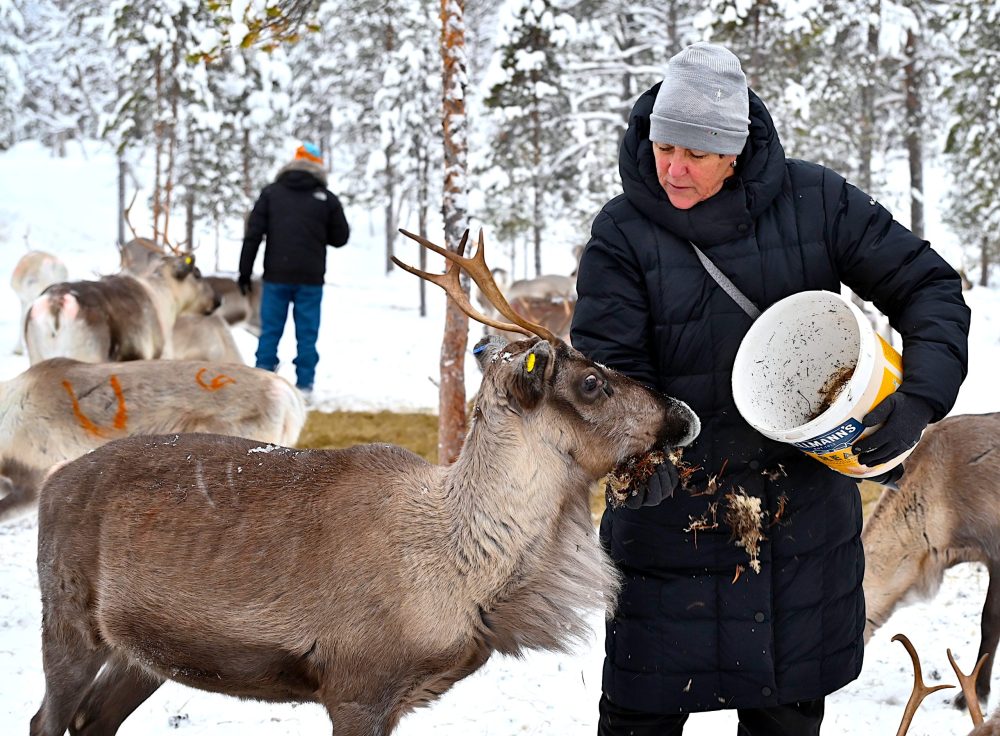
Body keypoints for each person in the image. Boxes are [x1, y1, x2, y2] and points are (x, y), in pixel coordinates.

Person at [570, 42, 970, 735]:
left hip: (799, 536)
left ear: (735, 149)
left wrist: (920, 398)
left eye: (695, 153)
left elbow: (929, 287)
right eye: (664, 146)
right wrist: (639, 458)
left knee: (783, 720)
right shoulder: (622, 233)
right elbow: (609, 377)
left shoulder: (818, 201)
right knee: (640, 715)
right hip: (672, 533)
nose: (673, 167)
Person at [239, 142, 350, 396]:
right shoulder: (326, 198)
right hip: (311, 279)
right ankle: (305, 388)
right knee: (307, 335)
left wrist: (244, 272)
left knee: (270, 331)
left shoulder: (271, 193)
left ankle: (263, 381)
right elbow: (340, 237)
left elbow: (253, 235)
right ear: (317, 165)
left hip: (276, 277)